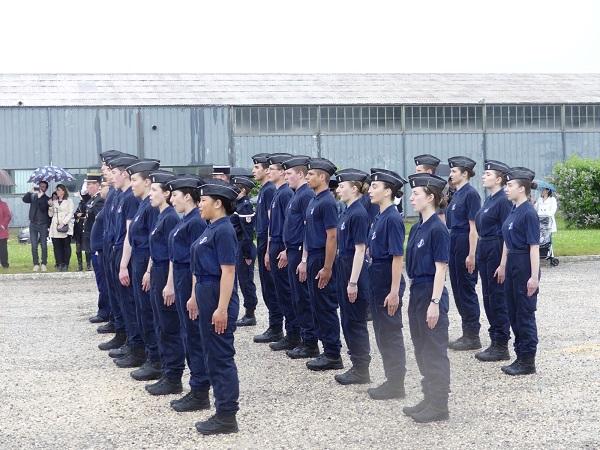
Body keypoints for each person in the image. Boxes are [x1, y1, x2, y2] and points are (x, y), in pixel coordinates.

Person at [188, 179, 240, 435]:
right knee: (211, 353)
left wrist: (221, 308)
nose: (200, 205)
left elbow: (228, 271)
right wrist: (195, 296)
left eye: (204, 201)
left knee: (221, 356)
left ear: (218, 203)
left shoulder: (224, 230)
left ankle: (227, 416)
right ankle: (221, 409)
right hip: (207, 294)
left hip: (219, 297)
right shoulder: (212, 228)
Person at [404, 173, 451, 423]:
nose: (412, 198)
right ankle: (429, 397)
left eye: (416, 194)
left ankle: (439, 405)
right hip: (417, 292)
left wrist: (434, 304)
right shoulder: (417, 228)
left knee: (434, 350)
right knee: (421, 348)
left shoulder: (437, 229)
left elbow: (441, 268)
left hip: (431, 293)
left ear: (430, 197)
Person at [166, 175, 211, 413]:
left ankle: (200, 391)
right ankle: (196, 387)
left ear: (187, 197)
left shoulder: (196, 222)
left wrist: (193, 294)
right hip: (182, 277)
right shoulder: (187, 220)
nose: (172, 199)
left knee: (194, 336)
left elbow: (198, 262)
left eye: (175, 195)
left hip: (190, 279)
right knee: (187, 334)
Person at [365, 168, 407, 400]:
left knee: (390, 332)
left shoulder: (392, 218)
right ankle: (391, 379)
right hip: (376, 275)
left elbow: (397, 257)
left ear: (388, 191)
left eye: (375, 187)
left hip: (386, 280)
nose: (370, 190)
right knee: (381, 331)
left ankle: (396, 383)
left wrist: (393, 291)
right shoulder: (380, 216)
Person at [298, 157, 343, 371]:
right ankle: (326, 349)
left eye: (311, 174)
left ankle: (333, 354)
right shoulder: (314, 200)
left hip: (322, 258)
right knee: (316, 305)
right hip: (313, 256)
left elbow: (332, 236)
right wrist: (306, 260)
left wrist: (327, 267)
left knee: (325, 306)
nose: (307, 177)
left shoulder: (327, 202)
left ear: (322, 177)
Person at [495, 167, 541, 376]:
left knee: (524, 313)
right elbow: (506, 240)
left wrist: (533, 277)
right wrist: (503, 264)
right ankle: (519, 355)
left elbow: (534, 246)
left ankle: (527, 360)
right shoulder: (514, 210)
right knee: (512, 311)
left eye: (510, 185)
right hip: (513, 261)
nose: (507, 188)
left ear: (522, 188)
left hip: (524, 264)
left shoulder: (528, 213)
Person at [146, 170, 186, 395]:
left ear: (167, 193)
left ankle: (173, 376)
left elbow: (173, 254)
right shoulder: (161, 215)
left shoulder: (171, 217)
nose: (150, 194)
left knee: (169, 326)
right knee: (160, 323)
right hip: (157, 270)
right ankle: (165, 371)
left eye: (154, 190)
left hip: (166, 273)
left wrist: (169, 284)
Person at [333, 169, 372, 385]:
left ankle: (361, 368)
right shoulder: (348, 211)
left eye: (342, 186)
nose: (338, 189)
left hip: (353, 268)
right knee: (346, 319)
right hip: (344, 264)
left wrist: (353, 282)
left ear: (354, 188)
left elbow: (360, 249)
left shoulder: (358, 213)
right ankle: (356, 364)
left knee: (354, 320)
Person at [107, 154, 145, 367]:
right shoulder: (120, 196)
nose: (111, 176)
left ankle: (137, 347)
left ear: (124, 174)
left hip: (127, 255)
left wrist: (123, 264)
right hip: (116, 249)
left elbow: (130, 233)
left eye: (114, 172)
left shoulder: (130, 198)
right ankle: (130, 342)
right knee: (124, 302)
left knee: (132, 304)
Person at [126, 160, 162, 382]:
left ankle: (156, 360)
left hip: (146, 262)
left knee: (150, 313)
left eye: (135, 180)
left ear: (147, 181)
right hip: (138, 262)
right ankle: (150, 355)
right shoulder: (142, 204)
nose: (132, 185)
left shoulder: (152, 207)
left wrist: (148, 270)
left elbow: (154, 241)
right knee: (142, 310)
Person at [474, 160, 513, 362]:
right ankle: (494, 339)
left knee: (497, 297)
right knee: (488, 296)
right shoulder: (489, 200)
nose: (483, 176)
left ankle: (501, 344)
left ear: (499, 179)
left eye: (488, 174)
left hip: (496, 248)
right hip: (485, 248)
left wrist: (503, 262)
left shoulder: (503, 201)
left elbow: (507, 233)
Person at [281, 156, 319, 359]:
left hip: (300, 251)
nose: (286, 177)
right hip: (292, 250)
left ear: (301, 174)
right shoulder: (297, 194)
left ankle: (310, 342)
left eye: (289, 173)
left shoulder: (305, 196)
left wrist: (304, 259)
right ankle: (304, 338)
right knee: (297, 297)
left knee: (303, 298)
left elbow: (307, 229)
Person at [446, 156, 482, 351]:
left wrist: (471, 254)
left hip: (464, 242)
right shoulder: (457, 194)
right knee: (458, 289)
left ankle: (472, 335)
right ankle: (466, 332)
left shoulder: (471, 194)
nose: (451, 175)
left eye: (454, 172)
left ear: (465, 174)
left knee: (466, 289)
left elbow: (473, 228)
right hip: (454, 241)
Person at [265, 153, 299, 352]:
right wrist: (270, 249)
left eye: (273, 170)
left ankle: (294, 334)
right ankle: (290, 332)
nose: (269, 172)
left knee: (287, 293)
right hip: (276, 243)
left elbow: (290, 224)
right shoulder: (277, 192)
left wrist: (285, 249)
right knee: (280, 292)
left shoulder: (286, 193)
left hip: (284, 245)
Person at [251, 153, 283, 343]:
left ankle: (276, 326)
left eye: (257, 168)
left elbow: (272, 221)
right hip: (263, 240)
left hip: (268, 241)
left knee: (272, 287)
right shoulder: (265, 190)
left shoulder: (270, 190)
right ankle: (274, 325)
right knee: (267, 286)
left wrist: (269, 249)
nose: (254, 171)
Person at [230, 175, 259, 327]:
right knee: (242, 280)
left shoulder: (245, 206)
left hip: (244, 247)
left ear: (242, 190)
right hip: (238, 246)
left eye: (236, 189)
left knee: (246, 281)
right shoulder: (238, 204)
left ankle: (250, 314)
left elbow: (248, 233)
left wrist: (247, 253)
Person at [84, 174, 109, 324]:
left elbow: (101, 223)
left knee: (103, 281)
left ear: (97, 185)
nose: (87, 187)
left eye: (89, 184)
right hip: (93, 245)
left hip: (99, 246)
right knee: (100, 280)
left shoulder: (99, 201)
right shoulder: (93, 200)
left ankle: (104, 311)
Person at [22, 180, 50, 272]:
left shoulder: (47, 198)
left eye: (43, 187)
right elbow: (24, 200)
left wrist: (39, 198)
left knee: (44, 245)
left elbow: (43, 209)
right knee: (34, 245)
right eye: (40, 186)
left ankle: (44, 263)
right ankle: (36, 263)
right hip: (33, 224)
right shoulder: (33, 196)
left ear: (46, 189)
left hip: (43, 224)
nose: (41, 188)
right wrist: (30, 191)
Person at [48, 184, 74, 271]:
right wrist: (51, 206)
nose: (57, 192)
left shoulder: (69, 201)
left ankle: (66, 264)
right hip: (55, 225)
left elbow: (70, 213)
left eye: (59, 190)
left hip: (65, 225)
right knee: (57, 246)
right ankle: (59, 263)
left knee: (66, 245)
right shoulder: (54, 202)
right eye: (56, 190)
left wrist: (63, 223)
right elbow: (50, 214)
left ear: (63, 191)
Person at [73, 186, 91, 271]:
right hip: (78, 228)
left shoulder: (88, 202)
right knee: (78, 247)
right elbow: (76, 213)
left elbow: (86, 211)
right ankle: (80, 265)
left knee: (87, 247)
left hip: (85, 227)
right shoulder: (80, 203)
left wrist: (81, 215)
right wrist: (77, 214)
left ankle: (88, 265)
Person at [0, 196, 11, 268]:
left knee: (3, 248)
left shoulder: (3, 204)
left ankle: (4, 264)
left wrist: (3, 225)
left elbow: (8, 216)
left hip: (1, 231)